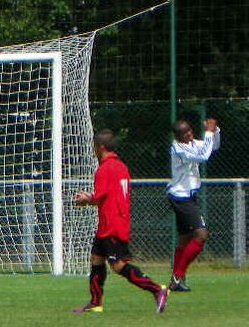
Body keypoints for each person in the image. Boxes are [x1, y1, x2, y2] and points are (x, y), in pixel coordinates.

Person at [73, 129, 169, 314]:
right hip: (110, 223)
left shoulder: (104, 169)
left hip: (112, 225)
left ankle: (157, 290)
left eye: (94, 146)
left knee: (118, 266)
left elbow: (98, 198)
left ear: (100, 147)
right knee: (96, 259)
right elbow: (109, 197)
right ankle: (95, 302)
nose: (93, 150)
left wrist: (86, 199)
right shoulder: (121, 166)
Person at [166, 118, 220, 292]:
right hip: (180, 197)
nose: (189, 134)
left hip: (188, 196)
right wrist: (209, 132)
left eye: (189, 130)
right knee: (201, 235)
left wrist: (215, 131)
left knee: (184, 239)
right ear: (178, 136)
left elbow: (213, 147)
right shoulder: (177, 148)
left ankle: (175, 281)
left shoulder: (191, 143)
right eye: (185, 133)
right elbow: (203, 156)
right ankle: (177, 275)